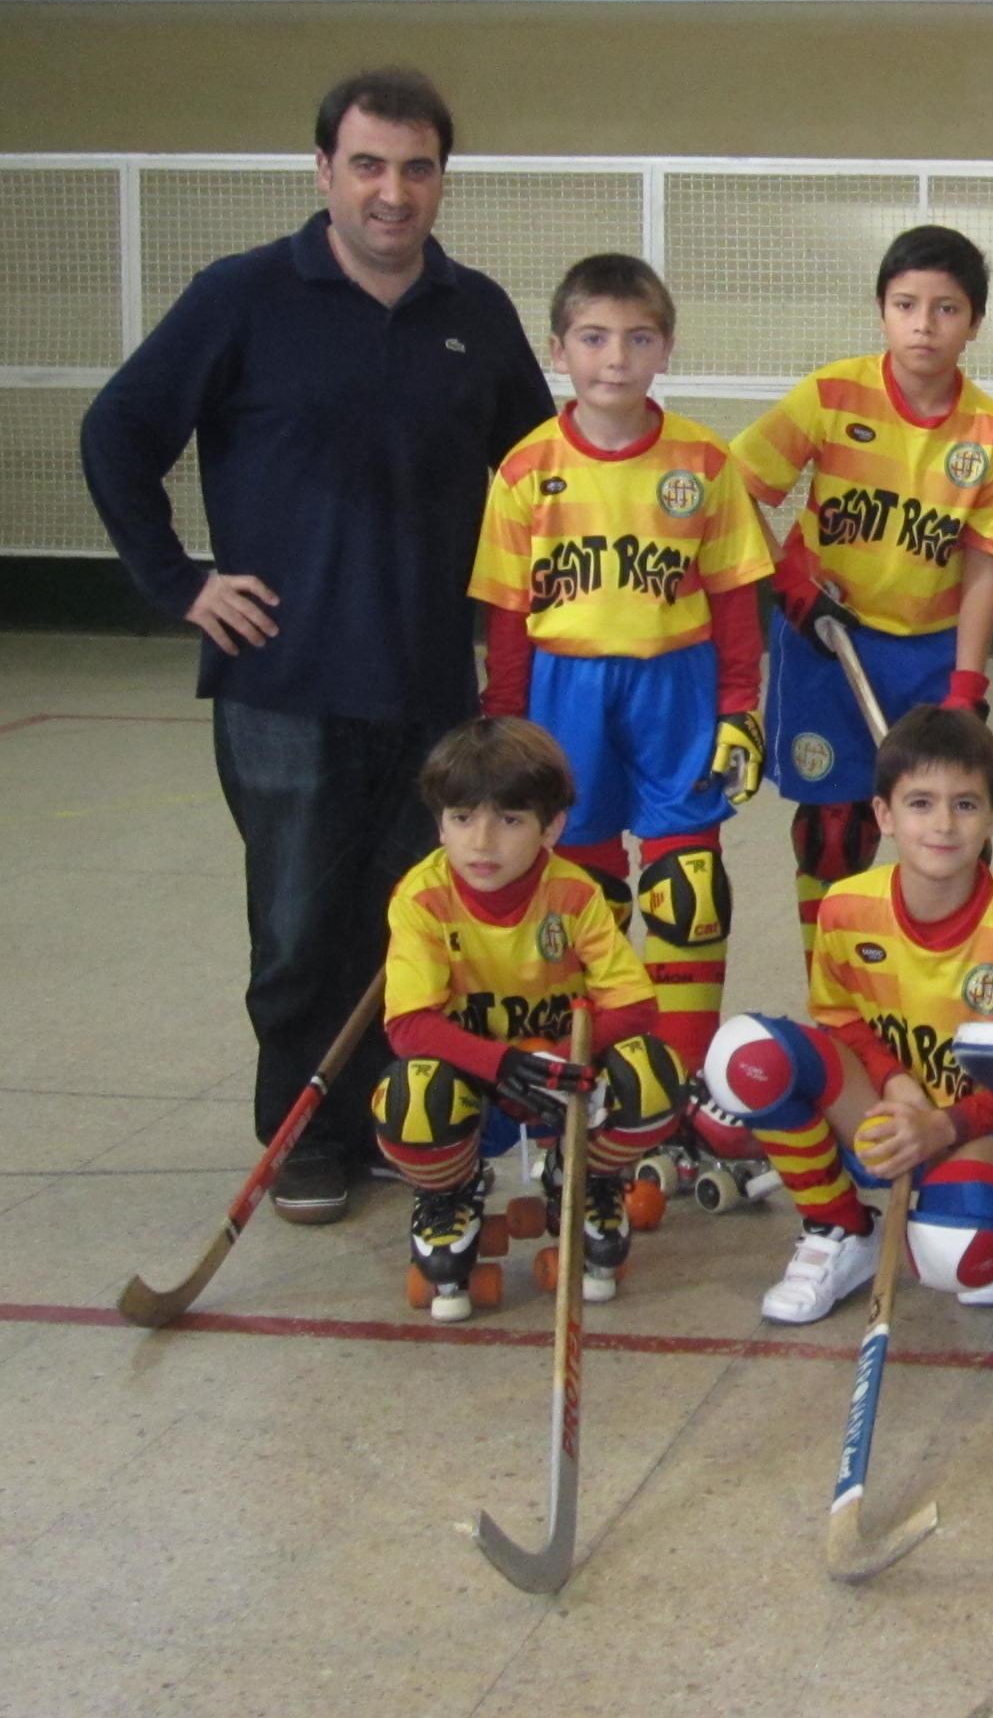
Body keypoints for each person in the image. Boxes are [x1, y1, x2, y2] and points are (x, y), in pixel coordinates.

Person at [79, 68, 553, 1225]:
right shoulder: (242, 297)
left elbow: (549, 473)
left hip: (435, 692)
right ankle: (302, 1137)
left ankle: (402, 1123)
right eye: (369, 165)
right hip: (284, 688)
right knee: (298, 930)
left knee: (421, 925)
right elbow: (117, 431)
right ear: (324, 172)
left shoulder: (474, 312)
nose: (393, 192)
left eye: (417, 167)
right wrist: (179, 580)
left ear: (442, 177)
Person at [468, 254, 771, 1192]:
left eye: (639, 338)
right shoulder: (525, 468)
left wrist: (739, 712)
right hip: (565, 699)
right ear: (559, 349)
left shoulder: (703, 462)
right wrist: (504, 732)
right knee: (584, 907)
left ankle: (675, 1092)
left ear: (666, 349)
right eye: (594, 338)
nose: (615, 357)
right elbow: (509, 618)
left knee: (689, 894)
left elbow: (732, 605)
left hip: (673, 686)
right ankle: (587, 1086)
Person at [699, 705, 993, 1324]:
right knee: (743, 1055)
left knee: (954, 1257)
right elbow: (839, 1018)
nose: (944, 824)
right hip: (888, 1108)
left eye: (966, 804)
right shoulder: (844, 909)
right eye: (920, 803)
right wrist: (897, 1083)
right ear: (884, 815)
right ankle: (842, 1229)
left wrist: (940, 1128)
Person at [730, 225, 993, 965]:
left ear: (976, 323)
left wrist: (968, 682)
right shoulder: (830, 395)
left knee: (951, 819)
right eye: (905, 305)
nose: (924, 325)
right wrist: (787, 578)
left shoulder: (992, 431)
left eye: (947, 309)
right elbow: (734, 486)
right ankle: (834, 986)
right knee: (833, 831)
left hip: (930, 653)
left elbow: (987, 566)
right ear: (881, 311)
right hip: (830, 642)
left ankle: (945, 981)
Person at [369, 718, 685, 1319]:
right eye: (463, 819)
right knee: (411, 1094)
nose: (482, 843)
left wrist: (561, 1058)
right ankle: (448, 1195)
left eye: (509, 820)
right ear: (440, 824)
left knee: (654, 1075)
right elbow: (409, 1026)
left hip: (557, 1078)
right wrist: (504, 1062)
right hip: (475, 1077)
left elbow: (636, 1005)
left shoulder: (575, 895)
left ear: (552, 826)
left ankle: (587, 1178)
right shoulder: (421, 897)